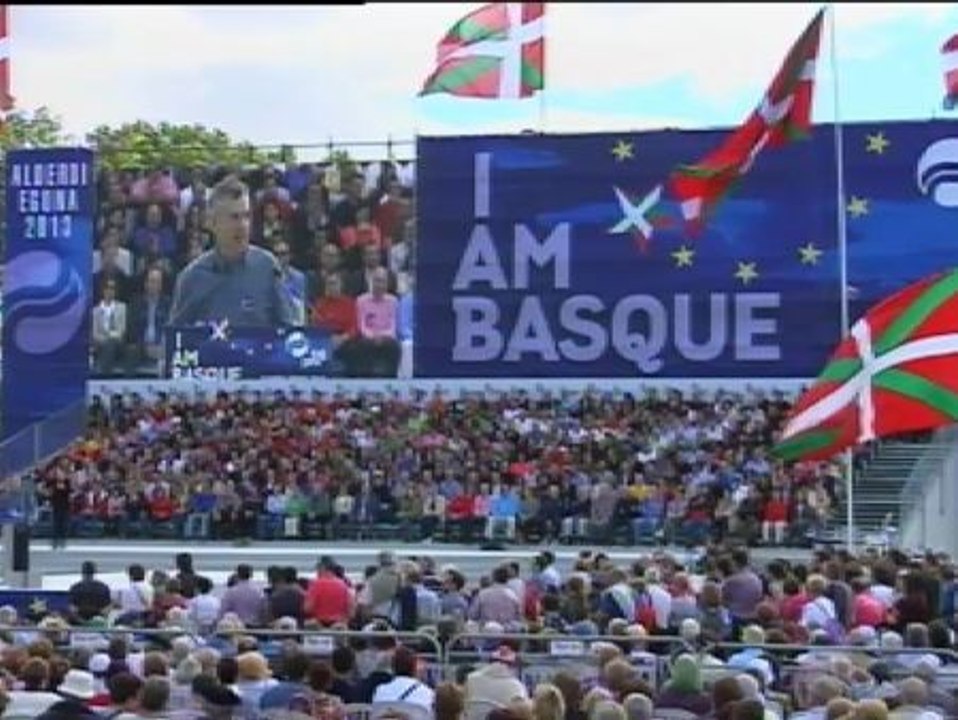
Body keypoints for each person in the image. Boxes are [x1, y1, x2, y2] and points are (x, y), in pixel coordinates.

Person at [169, 174, 296, 328]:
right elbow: (176, 340)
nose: (242, 225)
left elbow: (289, 333)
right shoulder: (191, 278)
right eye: (234, 217)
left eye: (247, 216)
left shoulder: (267, 267)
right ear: (213, 222)